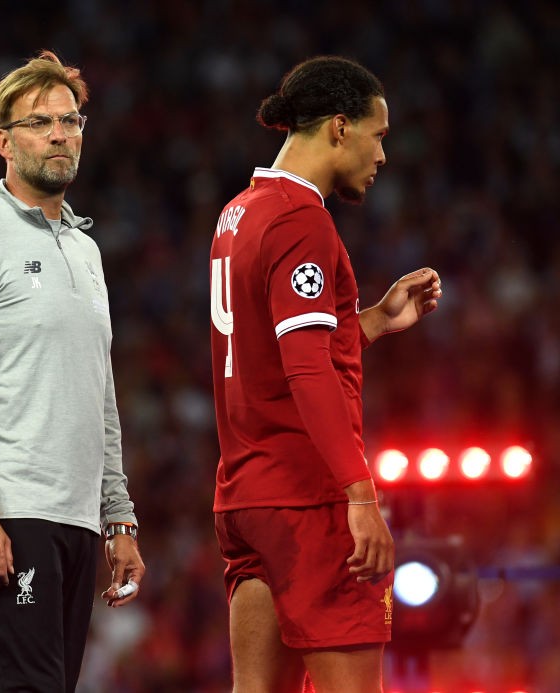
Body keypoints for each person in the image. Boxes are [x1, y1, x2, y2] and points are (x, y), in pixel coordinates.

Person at [208, 56, 443, 691]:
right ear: (340, 127)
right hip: (308, 499)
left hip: (247, 495)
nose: (382, 155)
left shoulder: (239, 215)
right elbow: (306, 368)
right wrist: (359, 496)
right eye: (379, 134)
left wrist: (371, 323)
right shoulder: (301, 221)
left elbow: (276, 349)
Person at [0, 50, 145, 692]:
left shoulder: (86, 248)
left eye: (70, 120)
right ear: (4, 142)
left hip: (75, 517)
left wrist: (118, 517)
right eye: (39, 122)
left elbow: (100, 393)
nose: (58, 134)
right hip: (10, 511)